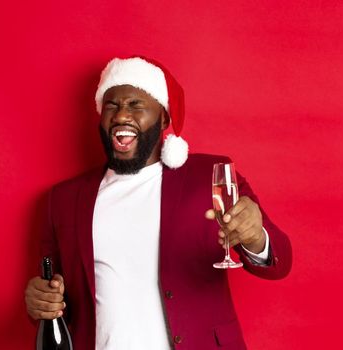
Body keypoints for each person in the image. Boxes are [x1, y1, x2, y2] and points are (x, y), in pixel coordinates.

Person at [24, 56, 293, 350]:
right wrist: (40, 301)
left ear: (164, 117)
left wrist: (256, 237)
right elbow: (54, 294)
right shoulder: (63, 200)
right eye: (111, 105)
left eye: (136, 105)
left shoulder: (211, 176)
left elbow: (279, 263)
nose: (121, 115)